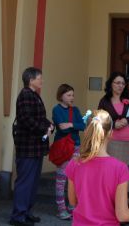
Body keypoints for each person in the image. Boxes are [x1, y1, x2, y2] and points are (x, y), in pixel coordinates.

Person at [66, 110, 129, 225]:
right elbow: (122, 215)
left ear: (87, 131)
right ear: (111, 133)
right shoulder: (120, 169)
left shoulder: (74, 163)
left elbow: (72, 201)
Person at [10, 67, 54, 226]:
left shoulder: (33, 95)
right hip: (27, 147)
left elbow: (39, 118)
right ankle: (18, 216)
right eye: (39, 78)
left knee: (33, 183)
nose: (42, 81)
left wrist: (50, 125)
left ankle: (27, 212)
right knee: (25, 182)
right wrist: (44, 128)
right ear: (31, 80)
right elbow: (26, 119)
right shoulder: (26, 95)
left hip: (35, 147)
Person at [97, 72, 129, 209]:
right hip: (113, 142)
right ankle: (112, 205)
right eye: (117, 83)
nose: (120, 86)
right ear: (111, 84)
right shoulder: (104, 101)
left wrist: (127, 120)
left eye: (123, 83)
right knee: (113, 171)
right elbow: (99, 119)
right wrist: (113, 124)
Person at [51, 83, 86, 220]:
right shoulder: (56, 109)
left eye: (73, 95)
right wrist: (74, 126)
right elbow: (62, 128)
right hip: (63, 148)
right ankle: (61, 209)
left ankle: (72, 207)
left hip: (76, 146)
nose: (72, 97)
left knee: (74, 178)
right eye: (69, 95)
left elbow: (83, 126)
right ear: (61, 96)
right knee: (61, 179)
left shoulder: (75, 110)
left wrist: (71, 124)